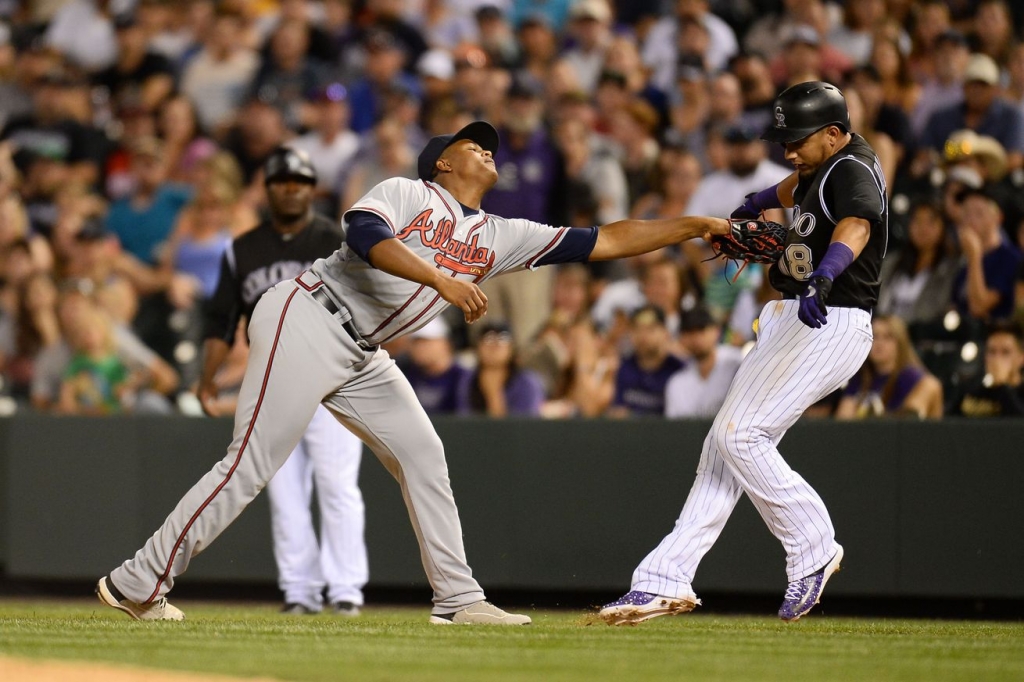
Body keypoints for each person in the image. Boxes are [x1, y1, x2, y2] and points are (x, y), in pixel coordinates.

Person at [95, 119, 730, 624]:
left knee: (424, 454)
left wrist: (694, 225)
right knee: (250, 463)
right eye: (471, 143)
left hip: (362, 351)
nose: (486, 148)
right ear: (442, 161)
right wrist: (441, 278)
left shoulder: (499, 234)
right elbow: (365, 234)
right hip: (308, 312)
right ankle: (136, 581)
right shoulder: (408, 192)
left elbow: (606, 240)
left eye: (491, 146)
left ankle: (459, 598)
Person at [600, 82, 887, 625]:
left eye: (797, 139)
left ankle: (813, 546)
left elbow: (857, 223)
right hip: (796, 316)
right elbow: (797, 186)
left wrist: (827, 272)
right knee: (722, 448)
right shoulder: (820, 164)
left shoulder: (853, 167)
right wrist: (757, 202)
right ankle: (664, 579)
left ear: (834, 133)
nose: (788, 149)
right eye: (784, 138)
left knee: (738, 435)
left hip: (831, 319)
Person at [195, 147, 368, 616]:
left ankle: (346, 590)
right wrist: (208, 378)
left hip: (333, 383)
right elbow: (220, 321)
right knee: (286, 494)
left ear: (312, 188)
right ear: (267, 188)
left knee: (337, 487)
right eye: (282, 180)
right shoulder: (243, 249)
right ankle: (299, 591)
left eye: (300, 180)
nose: (291, 187)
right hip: (273, 384)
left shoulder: (339, 240)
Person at [835, 315, 944, 419]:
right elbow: (843, 421)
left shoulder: (916, 379)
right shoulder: (860, 377)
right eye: (874, 336)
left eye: (887, 337)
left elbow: (909, 421)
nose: (879, 343)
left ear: (900, 343)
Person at [664, 305, 743, 419]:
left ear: (717, 331)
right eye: (689, 332)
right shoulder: (677, 382)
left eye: (701, 330)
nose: (695, 338)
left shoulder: (737, 362)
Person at [607, 305, 684, 418]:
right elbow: (617, 411)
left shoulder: (678, 370)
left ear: (665, 332)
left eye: (650, 329)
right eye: (637, 329)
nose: (643, 336)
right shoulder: (623, 368)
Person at [947, 320, 1024, 417]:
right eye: (991, 352)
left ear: (1021, 358)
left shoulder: (1021, 395)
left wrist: (1003, 386)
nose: (997, 359)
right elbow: (947, 423)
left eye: (1005, 352)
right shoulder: (971, 392)